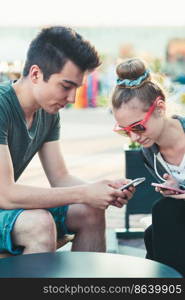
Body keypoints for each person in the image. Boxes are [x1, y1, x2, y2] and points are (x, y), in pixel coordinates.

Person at [0, 26, 134, 256]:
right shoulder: (2, 106)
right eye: (66, 86)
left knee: (90, 209)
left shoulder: (48, 113)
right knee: (39, 224)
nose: (72, 98)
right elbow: (6, 194)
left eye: (76, 88)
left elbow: (60, 177)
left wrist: (104, 190)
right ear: (35, 74)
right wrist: (84, 192)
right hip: (5, 201)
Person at [111, 57, 185, 276]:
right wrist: (174, 186)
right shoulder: (149, 153)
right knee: (155, 229)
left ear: (160, 107)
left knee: (163, 213)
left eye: (138, 127)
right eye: (125, 130)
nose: (134, 137)